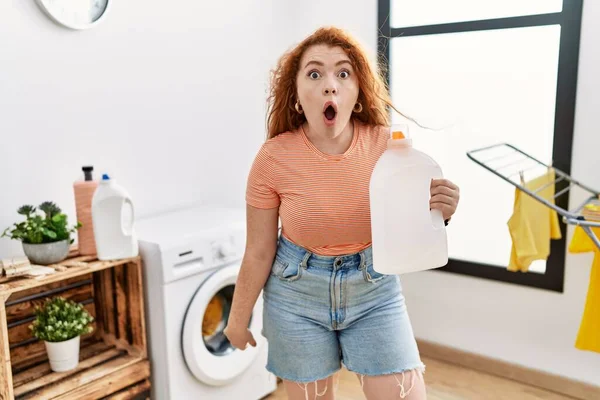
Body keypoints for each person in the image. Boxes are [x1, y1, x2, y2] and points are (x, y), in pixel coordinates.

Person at [224, 26, 460, 400]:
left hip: (374, 291)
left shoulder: (387, 147)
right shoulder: (272, 158)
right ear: (298, 96)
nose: (329, 84)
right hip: (295, 295)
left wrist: (439, 212)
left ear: (357, 95)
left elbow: (410, 224)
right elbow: (258, 250)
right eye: (314, 73)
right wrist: (237, 320)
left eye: (343, 73)